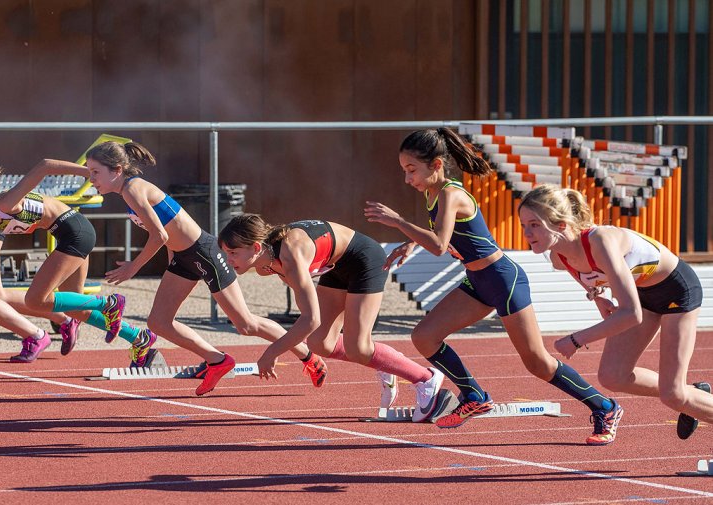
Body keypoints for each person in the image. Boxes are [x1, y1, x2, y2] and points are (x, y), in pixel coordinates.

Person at [364, 128, 623, 445]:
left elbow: (439, 244)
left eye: (411, 170)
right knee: (424, 336)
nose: (407, 180)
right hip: (477, 281)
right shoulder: (432, 194)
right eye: (404, 171)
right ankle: (474, 394)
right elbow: (445, 236)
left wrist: (399, 222)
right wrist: (409, 244)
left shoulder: (450, 193)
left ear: (435, 165)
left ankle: (604, 406)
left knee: (537, 363)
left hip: (503, 279)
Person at [80, 140, 327, 396]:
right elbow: (171, 230)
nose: (91, 179)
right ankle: (217, 360)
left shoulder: (133, 189)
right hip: (182, 256)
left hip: (204, 252)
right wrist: (172, 264)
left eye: (95, 172)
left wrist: (133, 267)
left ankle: (308, 357)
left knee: (246, 325)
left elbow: (159, 235)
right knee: (159, 322)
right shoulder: (128, 192)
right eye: (89, 172)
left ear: (117, 170)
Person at [519, 183, 712, 440]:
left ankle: (687, 397)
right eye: (523, 225)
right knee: (613, 376)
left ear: (561, 225)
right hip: (643, 294)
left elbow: (631, 314)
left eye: (534, 224)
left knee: (673, 395)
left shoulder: (600, 241)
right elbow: (585, 275)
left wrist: (577, 339)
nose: (527, 233)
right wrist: (598, 297)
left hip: (676, 291)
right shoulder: (558, 257)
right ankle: (694, 394)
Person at [219, 214, 448, 423]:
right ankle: (384, 360)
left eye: (233, 253)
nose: (228, 260)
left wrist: (271, 353)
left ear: (256, 247)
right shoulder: (265, 266)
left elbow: (310, 319)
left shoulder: (289, 255)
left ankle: (426, 378)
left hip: (363, 260)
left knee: (358, 348)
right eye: (225, 253)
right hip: (336, 267)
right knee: (320, 343)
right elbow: (310, 317)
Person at [0, 158, 150, 364]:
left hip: (76, 232)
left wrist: (91, 174)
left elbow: (45, 166)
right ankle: (138, 337)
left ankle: (108, 303)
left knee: (35, 299)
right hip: (66, 236)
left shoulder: (3, 203)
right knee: (76, 310)